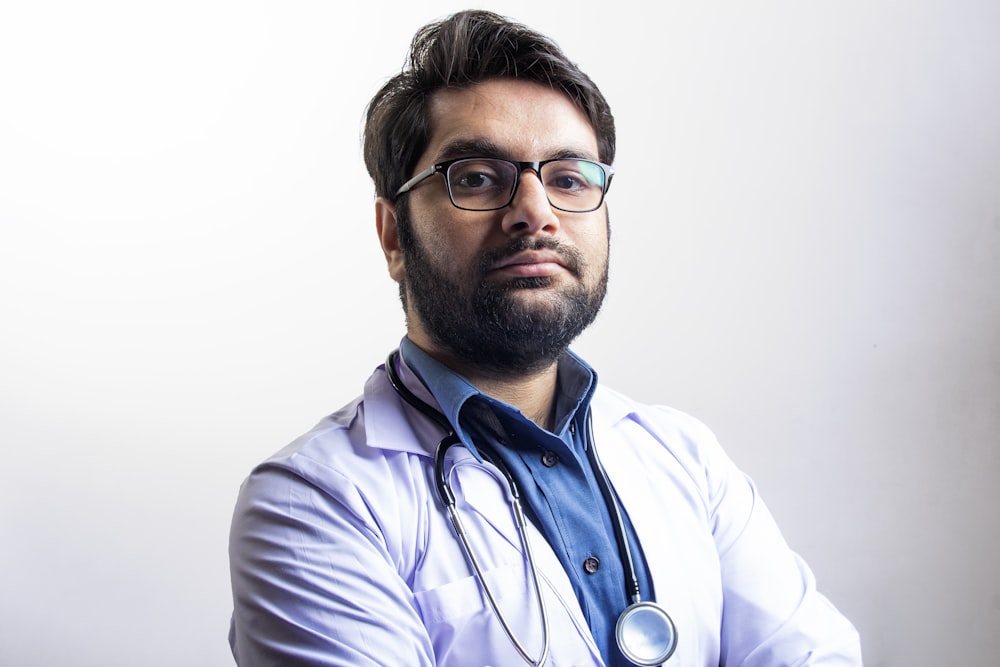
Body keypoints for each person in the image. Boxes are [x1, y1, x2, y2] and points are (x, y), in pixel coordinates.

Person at [227, 9, 863, 666]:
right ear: (393, 235)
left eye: (568, 178)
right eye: (475, 176)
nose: (536, 211)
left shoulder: (686, 457)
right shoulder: (312, 503)